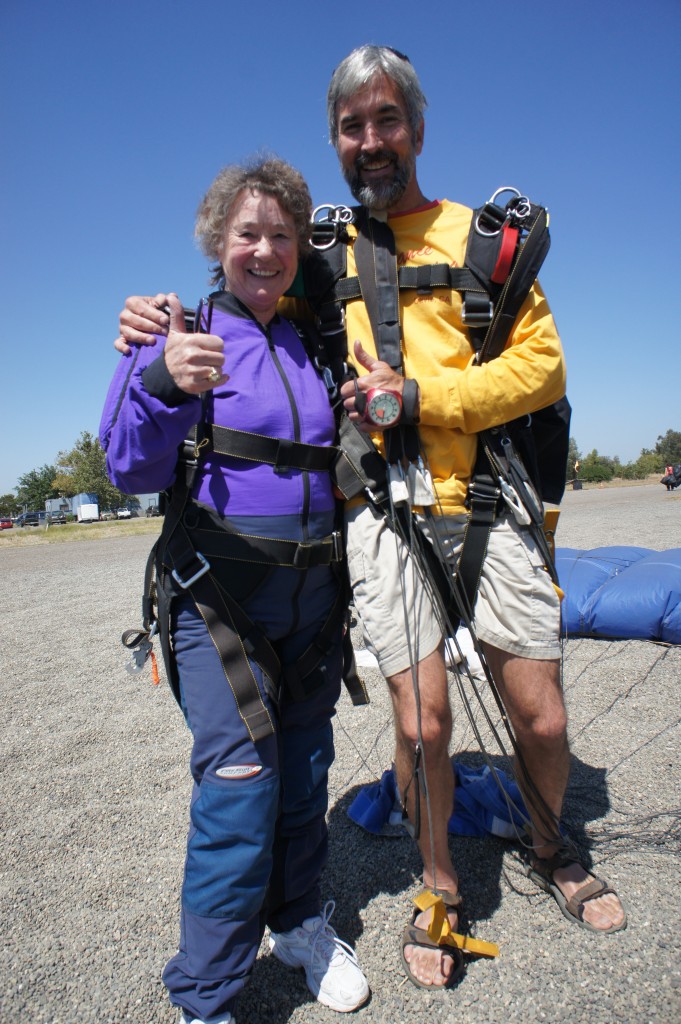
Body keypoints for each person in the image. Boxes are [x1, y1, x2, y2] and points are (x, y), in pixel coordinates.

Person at [116, 47, 626, 993]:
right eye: (352, 127)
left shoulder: (479, 239)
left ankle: (553, 848)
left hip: (481, 500)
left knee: (543, 718)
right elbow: (243, 297)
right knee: (423, 726)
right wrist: (152, 320)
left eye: (386, 120)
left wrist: (424, 396)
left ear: (416, 129)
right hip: (379, 513)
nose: (371, 140)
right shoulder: (318, 255)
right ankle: (436, 886)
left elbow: (541, 369)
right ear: (337, 142)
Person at [101, 158, 369, 1024]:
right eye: (247, 233)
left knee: (304, 776)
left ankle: (296, 926)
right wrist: (162, 381)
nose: (265, 249)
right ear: (217, 243)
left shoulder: (315, 343)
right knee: (241, 781)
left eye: (281, 235)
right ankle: (207, 996)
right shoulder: (168, 332)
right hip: (218, 603)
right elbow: (127, 467)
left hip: (314, 609)